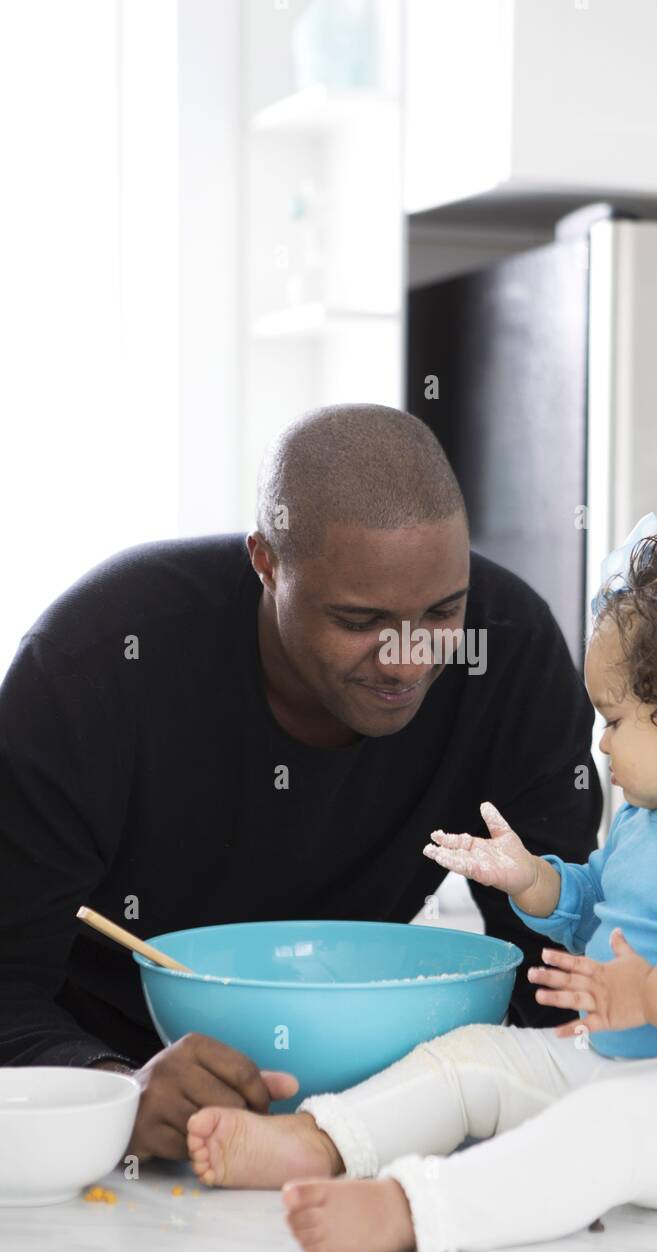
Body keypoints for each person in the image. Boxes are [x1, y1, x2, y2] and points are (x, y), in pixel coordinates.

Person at [184, 526, 657, 1252]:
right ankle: (319, 1140)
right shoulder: (647, 817)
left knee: (609, 1125)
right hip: (618, 1063)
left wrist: (656, 995)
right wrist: (534, 880)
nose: (601, 744)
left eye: (616, 720)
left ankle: (415, 1210)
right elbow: (601, 913)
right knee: (473, 1058)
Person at [0, 403, 602, 1160]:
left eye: (443, 611)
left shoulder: (510, 653)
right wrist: (115, 1087)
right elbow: (7, 977)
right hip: (114, 1084)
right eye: (359, 620)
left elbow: (554, 965)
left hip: (383, 1107)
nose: (408, 660)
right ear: (266, 562)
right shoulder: (92, 665)